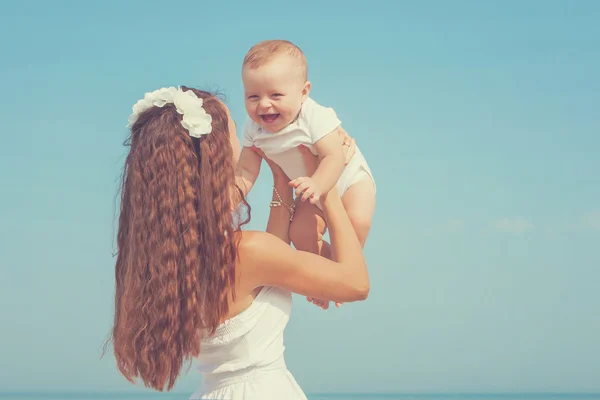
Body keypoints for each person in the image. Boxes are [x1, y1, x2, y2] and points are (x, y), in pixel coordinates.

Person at [107, 86, 369, 399]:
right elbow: (356, 284)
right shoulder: (247, 251)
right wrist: (328, 190)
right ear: (217, 151)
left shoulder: (167, 263)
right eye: (234, 129)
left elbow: (267, 269)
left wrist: (281, 182)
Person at [235, 40, 376, 308]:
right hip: (308, 190)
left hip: (346, 180)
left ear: (304, 92)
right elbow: (245, 169)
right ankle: (326, 278)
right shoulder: (253, 129)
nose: (264, 105)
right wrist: (232, 195)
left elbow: (334, 156)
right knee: (300, 234)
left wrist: (319, 183)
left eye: (276, 95)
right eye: (253, 96)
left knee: (357, 220)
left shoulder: (313, 115)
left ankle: (341, 272)